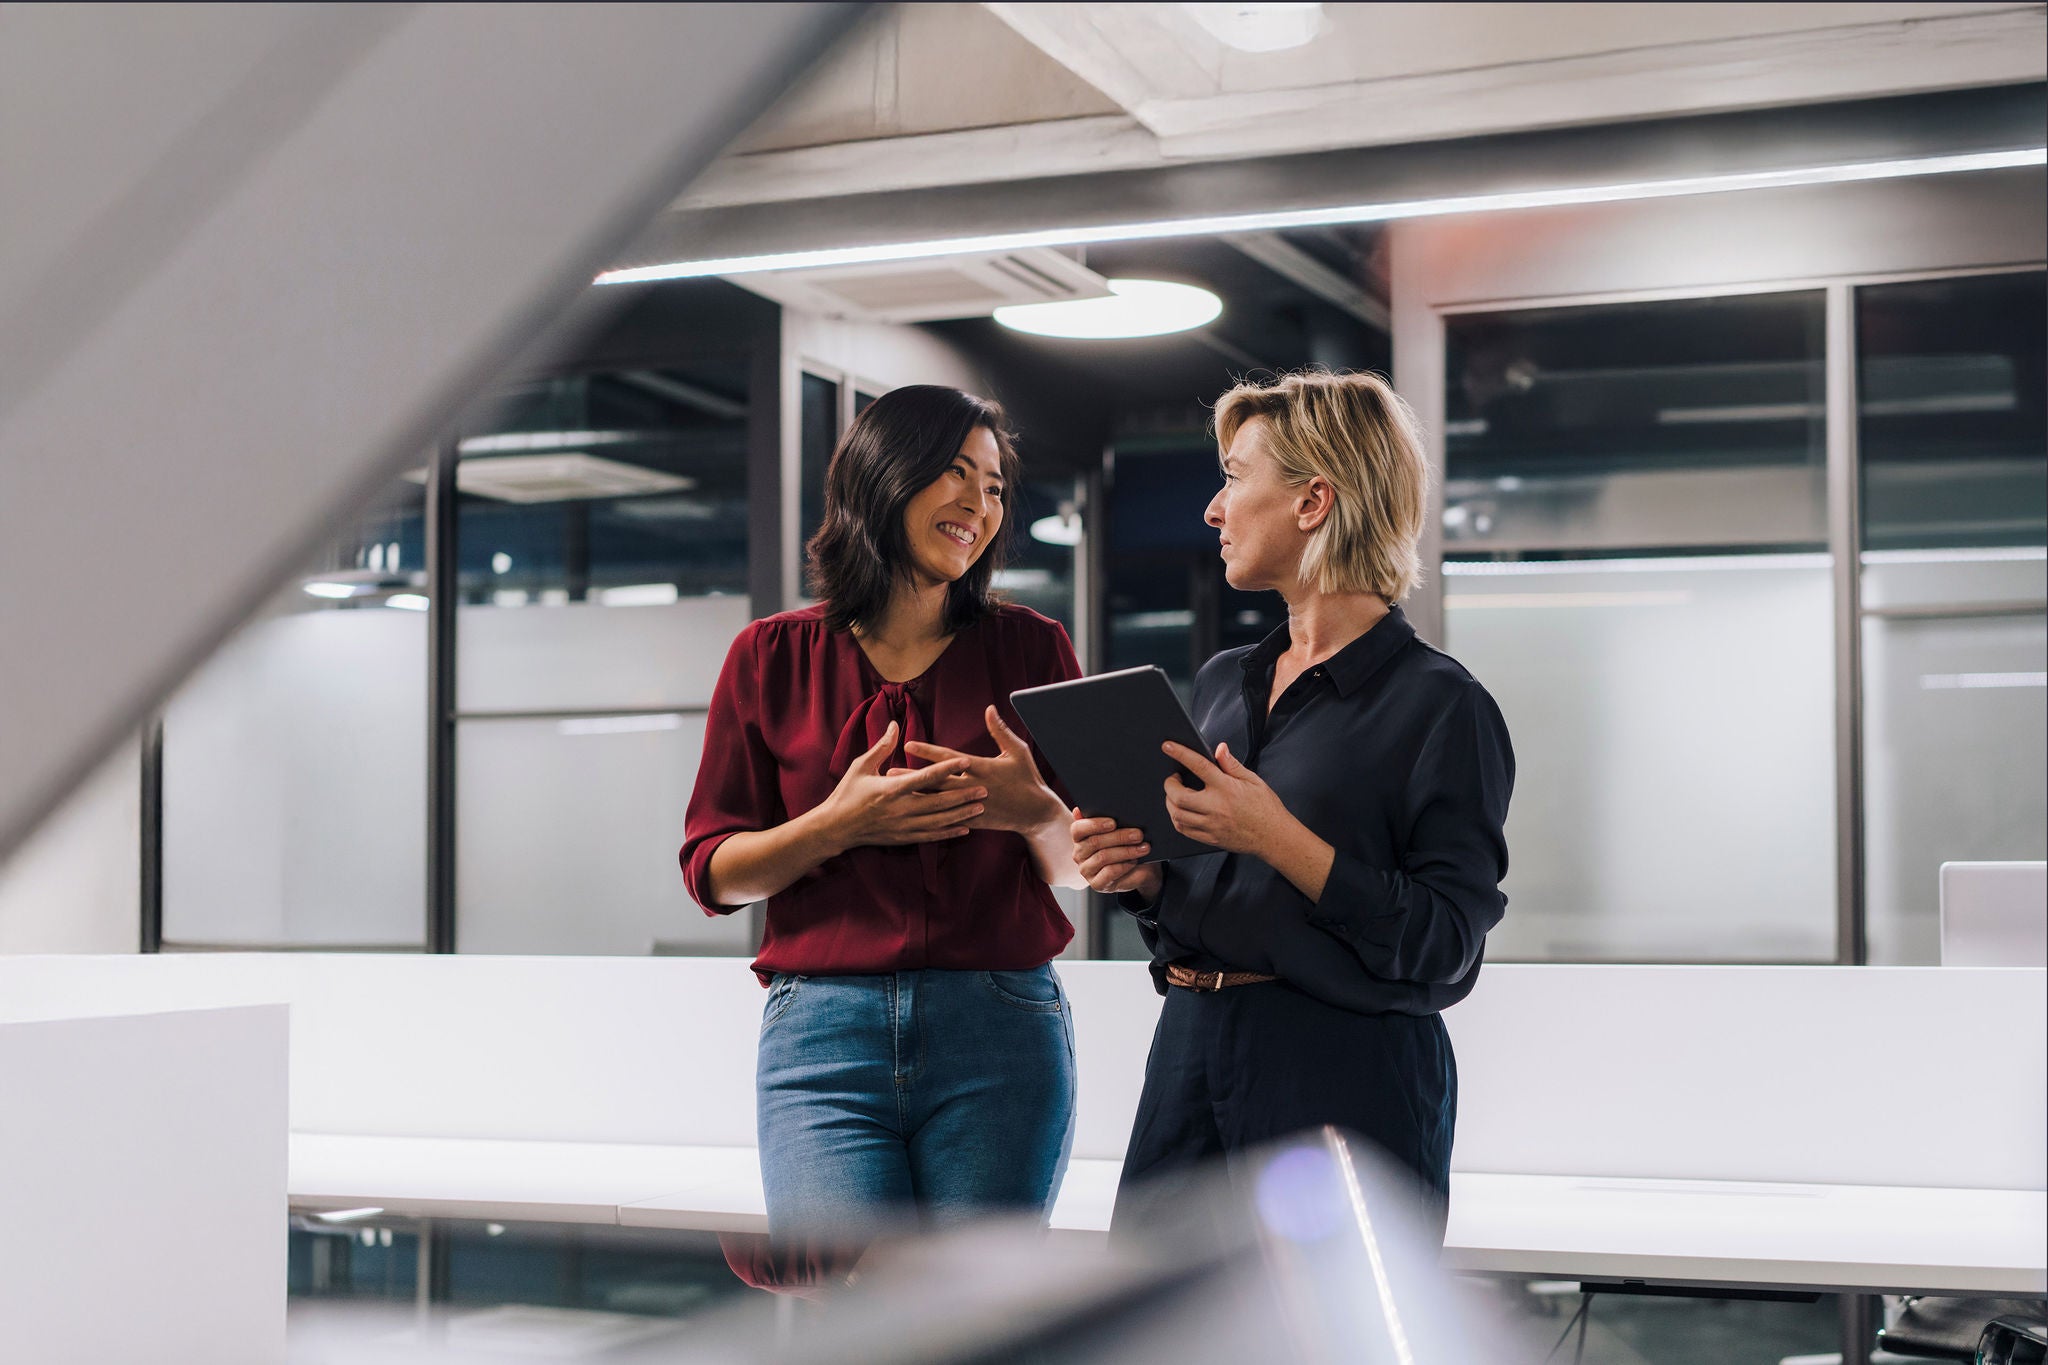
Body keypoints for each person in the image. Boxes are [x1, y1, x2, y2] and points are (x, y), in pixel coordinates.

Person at [1070, 369, 1514, 1242]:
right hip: (1189, 1054)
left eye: (1235, 476)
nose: (1213, 507)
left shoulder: (1444, 707)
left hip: (1344, 1079)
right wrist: (1147, 881)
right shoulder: (1221, 684)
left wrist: (1278, 838)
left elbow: (1446, 946)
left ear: (1314, 501)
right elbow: (1213, 904)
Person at [680, 385, 1085, 1273]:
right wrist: (834, 826)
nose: (980, 503)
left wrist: (1036, 813)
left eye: (995, 485)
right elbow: (714, 871)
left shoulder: (1033, 648)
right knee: (857, 1317)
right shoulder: (768, 656)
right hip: (822, 1037)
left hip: (1001, 1027)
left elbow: (1081, 863)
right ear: (882, 477)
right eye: (954, 472)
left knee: (979, 1323)